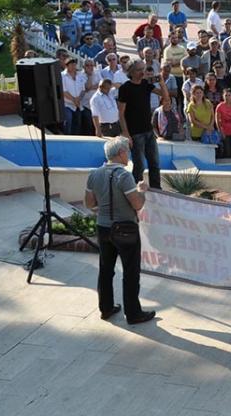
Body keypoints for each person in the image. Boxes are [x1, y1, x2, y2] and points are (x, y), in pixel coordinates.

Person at [85, 137, 155, 325]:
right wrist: (141, 190)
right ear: (121, 153)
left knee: (105, 269)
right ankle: (133, 313)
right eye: (127, 151)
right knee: (130, 272)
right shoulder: (124, 176)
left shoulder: (94, 174)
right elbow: (138, 204)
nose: (129, 155)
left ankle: (106, 308)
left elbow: (89, 203)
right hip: (125, 229)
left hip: (103, 228)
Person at [61, 58, 88, 135]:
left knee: (77, 124)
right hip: (67, 104)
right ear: (67, 66)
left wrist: (78, 99)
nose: (73, 66)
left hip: (78, 104)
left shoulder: (80, 75)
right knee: (68, 121)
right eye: (71, 65)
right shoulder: (62, 76)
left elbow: (83, 90)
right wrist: (74, 100)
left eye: (74, 64)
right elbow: (63, 91)